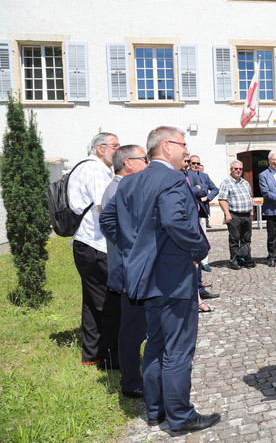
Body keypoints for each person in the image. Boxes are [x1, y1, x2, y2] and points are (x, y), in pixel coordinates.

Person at [100, 126, 220, 434]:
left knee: (155, 344)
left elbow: (108, 219)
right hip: (172, 278)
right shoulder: (171, 179)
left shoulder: (129, 182)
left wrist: (133, 246)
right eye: (182, 144)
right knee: (177, 348)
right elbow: (174, 221)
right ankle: (180, 415)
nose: (185, 150)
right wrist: (200, 249)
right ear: (166, 146)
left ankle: (155, 410)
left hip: (143, 279)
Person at [68, 131, 122, 369]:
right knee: (109, 303)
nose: (118, 150)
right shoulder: (95, 170)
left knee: (93, 302)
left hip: (88, 243)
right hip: (96, 243)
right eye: (114, 145)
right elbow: (106, 208)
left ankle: (92, 356)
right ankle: (109, 358)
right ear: (100, 148)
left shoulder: (91, 168)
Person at [101, 144, 148, 399]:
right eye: (144, 159)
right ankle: (130, 382)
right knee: (131, 330)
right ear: (128, 163)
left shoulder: (120, 186)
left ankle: (135, 374)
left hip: (127, 266)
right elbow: (108, 222)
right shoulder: (120, 187)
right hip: (127, 270)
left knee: (134, 328)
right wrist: (131, 244)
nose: (148, 163)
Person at [218, 160, 255, 270]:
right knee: (235, 239)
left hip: (246, 215)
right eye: (236, 168)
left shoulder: (245, 182)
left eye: (240, 169)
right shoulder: (226, 183)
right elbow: (222, 200)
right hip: (234, 215)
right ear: (231, 169)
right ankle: (234, 261)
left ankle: (244, 259)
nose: (238, 170)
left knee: (246, 239)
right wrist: (227, 214)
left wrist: (251, 211)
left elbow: (250, 197)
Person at [188, 155, 219, 270]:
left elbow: (215, 189)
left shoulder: (204, 176)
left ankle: (204, 261)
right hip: (190, 210)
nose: (196, 165)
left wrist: (208, 197)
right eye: (193, 163)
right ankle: (193, 260)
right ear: (189, 163)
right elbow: (187, 191)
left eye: (198, 163)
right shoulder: (185, 175)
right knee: (192, 235)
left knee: (203, 236)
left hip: (202, 210)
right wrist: (199, 191)